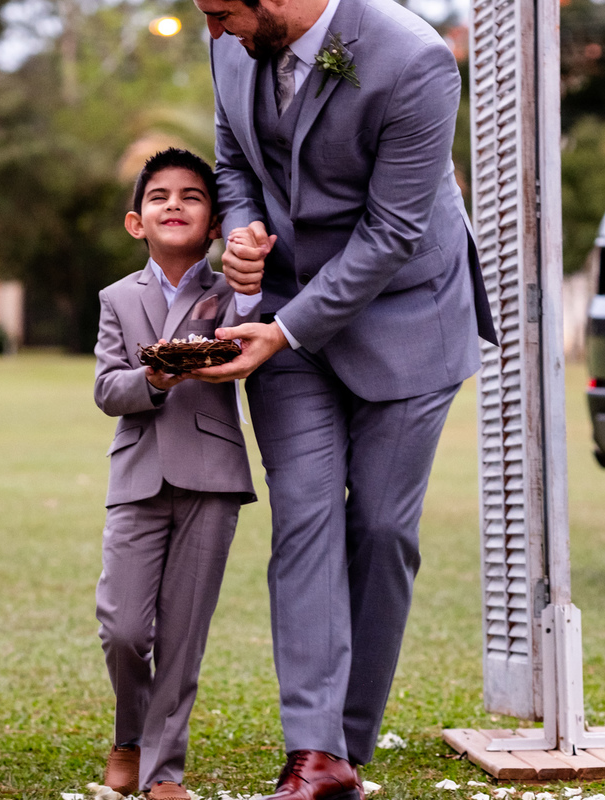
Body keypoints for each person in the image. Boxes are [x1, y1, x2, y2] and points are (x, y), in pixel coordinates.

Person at [187, 0, 499, 796]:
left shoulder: (415, 59)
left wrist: (286, 330)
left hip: (407, 312)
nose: (216, 30)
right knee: (306, 517)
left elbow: (394, 231)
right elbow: (233, 162)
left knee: (383, 527)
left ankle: (350, 738)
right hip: (284, 316)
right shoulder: (229, 42)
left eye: (223, 12)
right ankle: (315, 753)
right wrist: (246, 232)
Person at [92, 148, 259, 800]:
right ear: (137, 222)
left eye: (192, 196)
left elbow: (248, 342)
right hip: (137, 476)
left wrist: (246, 292)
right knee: (125, 630)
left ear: (214, 223)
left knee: (183, 635)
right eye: (159, 196)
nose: (174, 205)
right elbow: (109, 389)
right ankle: (128, 737)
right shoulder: (116, 298)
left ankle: (163, 771)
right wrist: (153, 378)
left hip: (212, 477)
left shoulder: (232, 293)